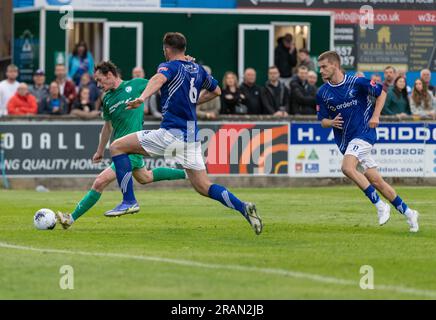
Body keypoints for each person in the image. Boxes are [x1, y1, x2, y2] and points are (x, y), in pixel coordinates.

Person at [105, 32, 262, 235]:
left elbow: (158, 79)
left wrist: (142, 98)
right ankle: (244, 207)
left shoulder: (169, 66)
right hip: (190, 135)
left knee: (117, 146)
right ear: (184, 49)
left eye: (164, 49)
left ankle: (129, 201)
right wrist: (193, 102)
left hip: (172, 133)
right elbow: (217, 91)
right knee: (204, 186)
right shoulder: (198, 69)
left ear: (167, 49)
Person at [56, 60, 187, 229]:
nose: (98, 84)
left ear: (109, 75)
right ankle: (187, 173)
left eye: (99, 79)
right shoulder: (108, 99)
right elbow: (107, 126)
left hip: (132, 149)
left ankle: (70, 218)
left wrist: (182, 65)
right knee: (145, 177)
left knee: (99, 182)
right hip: (121, 151)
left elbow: (162, 84)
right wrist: (100, 150)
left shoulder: (137, 85)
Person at [316, 51, 419, 232]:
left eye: (324, 66)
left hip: (364, 134)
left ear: (335, 65)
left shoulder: (357, 82)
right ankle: (409, 213)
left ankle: (380, 205)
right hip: (346, 141)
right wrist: (331, 122)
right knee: (376, 181)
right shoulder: (322, 92)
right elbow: (322, 120)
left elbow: (382, 93)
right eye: (320, 67)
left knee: (347, 168)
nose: (321, 70)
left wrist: (376, 115)